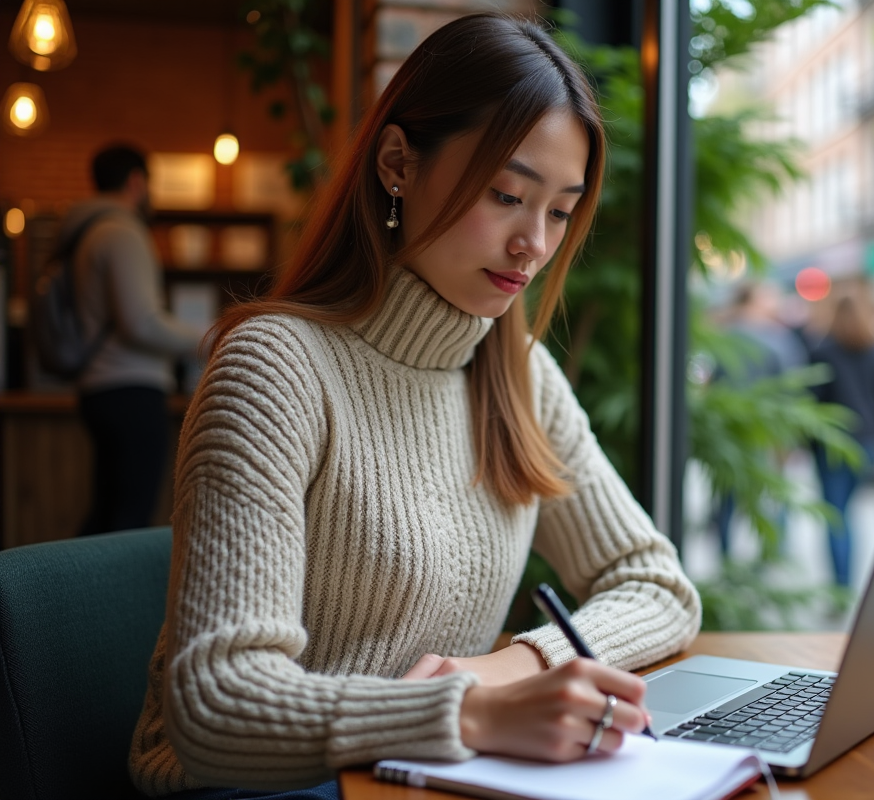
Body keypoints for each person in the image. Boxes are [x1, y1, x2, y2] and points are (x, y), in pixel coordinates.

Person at [127, 14, 701, 799]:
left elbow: (658, 585)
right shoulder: (276, 369)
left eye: (561, 210)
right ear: (398, 163)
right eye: (506, 194)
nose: (535, 242)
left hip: (417, 778)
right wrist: (470, 714)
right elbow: (219, 707)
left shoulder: (518, 375)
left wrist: (512, 669)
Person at [64, 144, 206, 535]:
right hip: (130, 389)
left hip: (100, 389)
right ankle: (103, 597)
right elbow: (140, 322)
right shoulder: (123, 232)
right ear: (136, 181)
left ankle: (82, 596)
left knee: (107, 516)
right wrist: (206, 338)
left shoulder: (87, 232)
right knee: (128, 522)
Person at [711, 281, 807, 555]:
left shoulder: (723, 335)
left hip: (730, 432)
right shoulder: (778, 339)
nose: (774, 301)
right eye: (769, 296)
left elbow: (711, 385)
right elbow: (792, 389)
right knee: (773, 494)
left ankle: (725, 553)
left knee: (728, 497)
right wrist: (788, 438)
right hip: (766, 433)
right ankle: (772, 554)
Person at [809, 294, 874, 589]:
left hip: (832, 447)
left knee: (836, 516)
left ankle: (841, 586)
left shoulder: (823, 352)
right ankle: (846, 584)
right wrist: (873, 431)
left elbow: (811, 405)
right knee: (849, 513)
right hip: (865, 444)